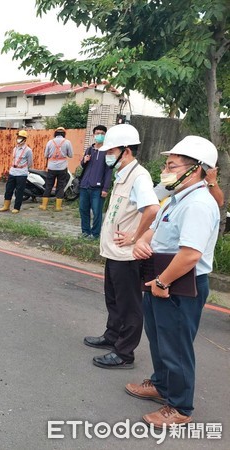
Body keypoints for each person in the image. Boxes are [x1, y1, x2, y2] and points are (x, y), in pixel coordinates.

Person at [127, 136, 220, 428]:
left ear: (195, 170)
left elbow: (191, 255)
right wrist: (141, 243)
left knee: (176, 346)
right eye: (166, 165)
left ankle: (179, 407)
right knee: (158, 338)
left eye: (171, 165)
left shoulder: (199, 204)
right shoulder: (176, 199)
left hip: (179, 285)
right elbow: (152, 231)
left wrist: (162, 283)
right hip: (161, 279)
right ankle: (161, 385)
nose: (165, 170)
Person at [83, 124, 159, 369]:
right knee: (114, 299)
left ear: (126, 151)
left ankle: (125, 353)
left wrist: (136, 237)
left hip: (127, 255)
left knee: (129, 306)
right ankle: (112, 336)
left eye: (111, 151)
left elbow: (153, 209)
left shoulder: (140, 176)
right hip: (114, 253)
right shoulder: (123, 174)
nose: (107, 155)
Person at [78, 125, 113, 238]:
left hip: (98, 188)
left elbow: (108, 171)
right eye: (97, 133)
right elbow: (83, 165)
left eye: (102, 133)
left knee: (97, 212)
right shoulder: (89, 149)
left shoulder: (108, 152)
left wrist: (105, 188)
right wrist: (84, 160)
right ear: (93, 135)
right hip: (84, 185)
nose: (100, 136)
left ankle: (95, 234)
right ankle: (85, 232)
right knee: (83, 210)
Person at [0, 130, 33, 214]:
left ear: (24, 139)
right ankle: (6, 206)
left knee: (19, 191)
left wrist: (23, 168)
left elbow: (30, 163)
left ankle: (17, 207)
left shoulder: (28, 150)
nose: (18, 139)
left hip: (21, 173)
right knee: (8, 189)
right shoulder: (15, 148)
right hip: (13, 171)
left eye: (20, 138)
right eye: (18, 137)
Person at [39, 127, 73, 211]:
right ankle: (58, 207)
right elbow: (71, 155)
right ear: (64, 134)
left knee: (49, 185)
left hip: (51, 168)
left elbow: (46, 155)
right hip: (62, 168)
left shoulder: (50, 142)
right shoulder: (67, 142)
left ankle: (44, 205)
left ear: (55, 133)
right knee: (60, 186)